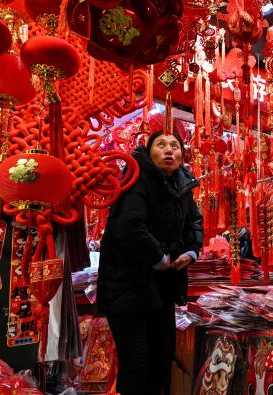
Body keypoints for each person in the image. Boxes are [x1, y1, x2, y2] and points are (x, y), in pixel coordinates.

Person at [97, 130, 203, 395]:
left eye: (175, 146)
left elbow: (195, 223)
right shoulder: (136, 178)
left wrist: (190, 252)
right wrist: (159, 258)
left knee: (162, 356)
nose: (169, 150)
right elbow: (130, 226)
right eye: (161, 145)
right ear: (148, 150)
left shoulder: (183, 184)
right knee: (137, 361)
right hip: (127, 284)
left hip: (162, 287)